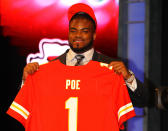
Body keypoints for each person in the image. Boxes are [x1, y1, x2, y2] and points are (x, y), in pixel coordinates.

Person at [22, 3, 149, 107]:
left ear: (94, 35)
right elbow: (27, 106)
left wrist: (128, 78)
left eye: (84, 31)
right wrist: (26, 82)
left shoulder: (111, 68)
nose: (78, 35)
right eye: (73, 31)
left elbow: (143, 101)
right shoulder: (51, 68)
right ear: (68, 33)